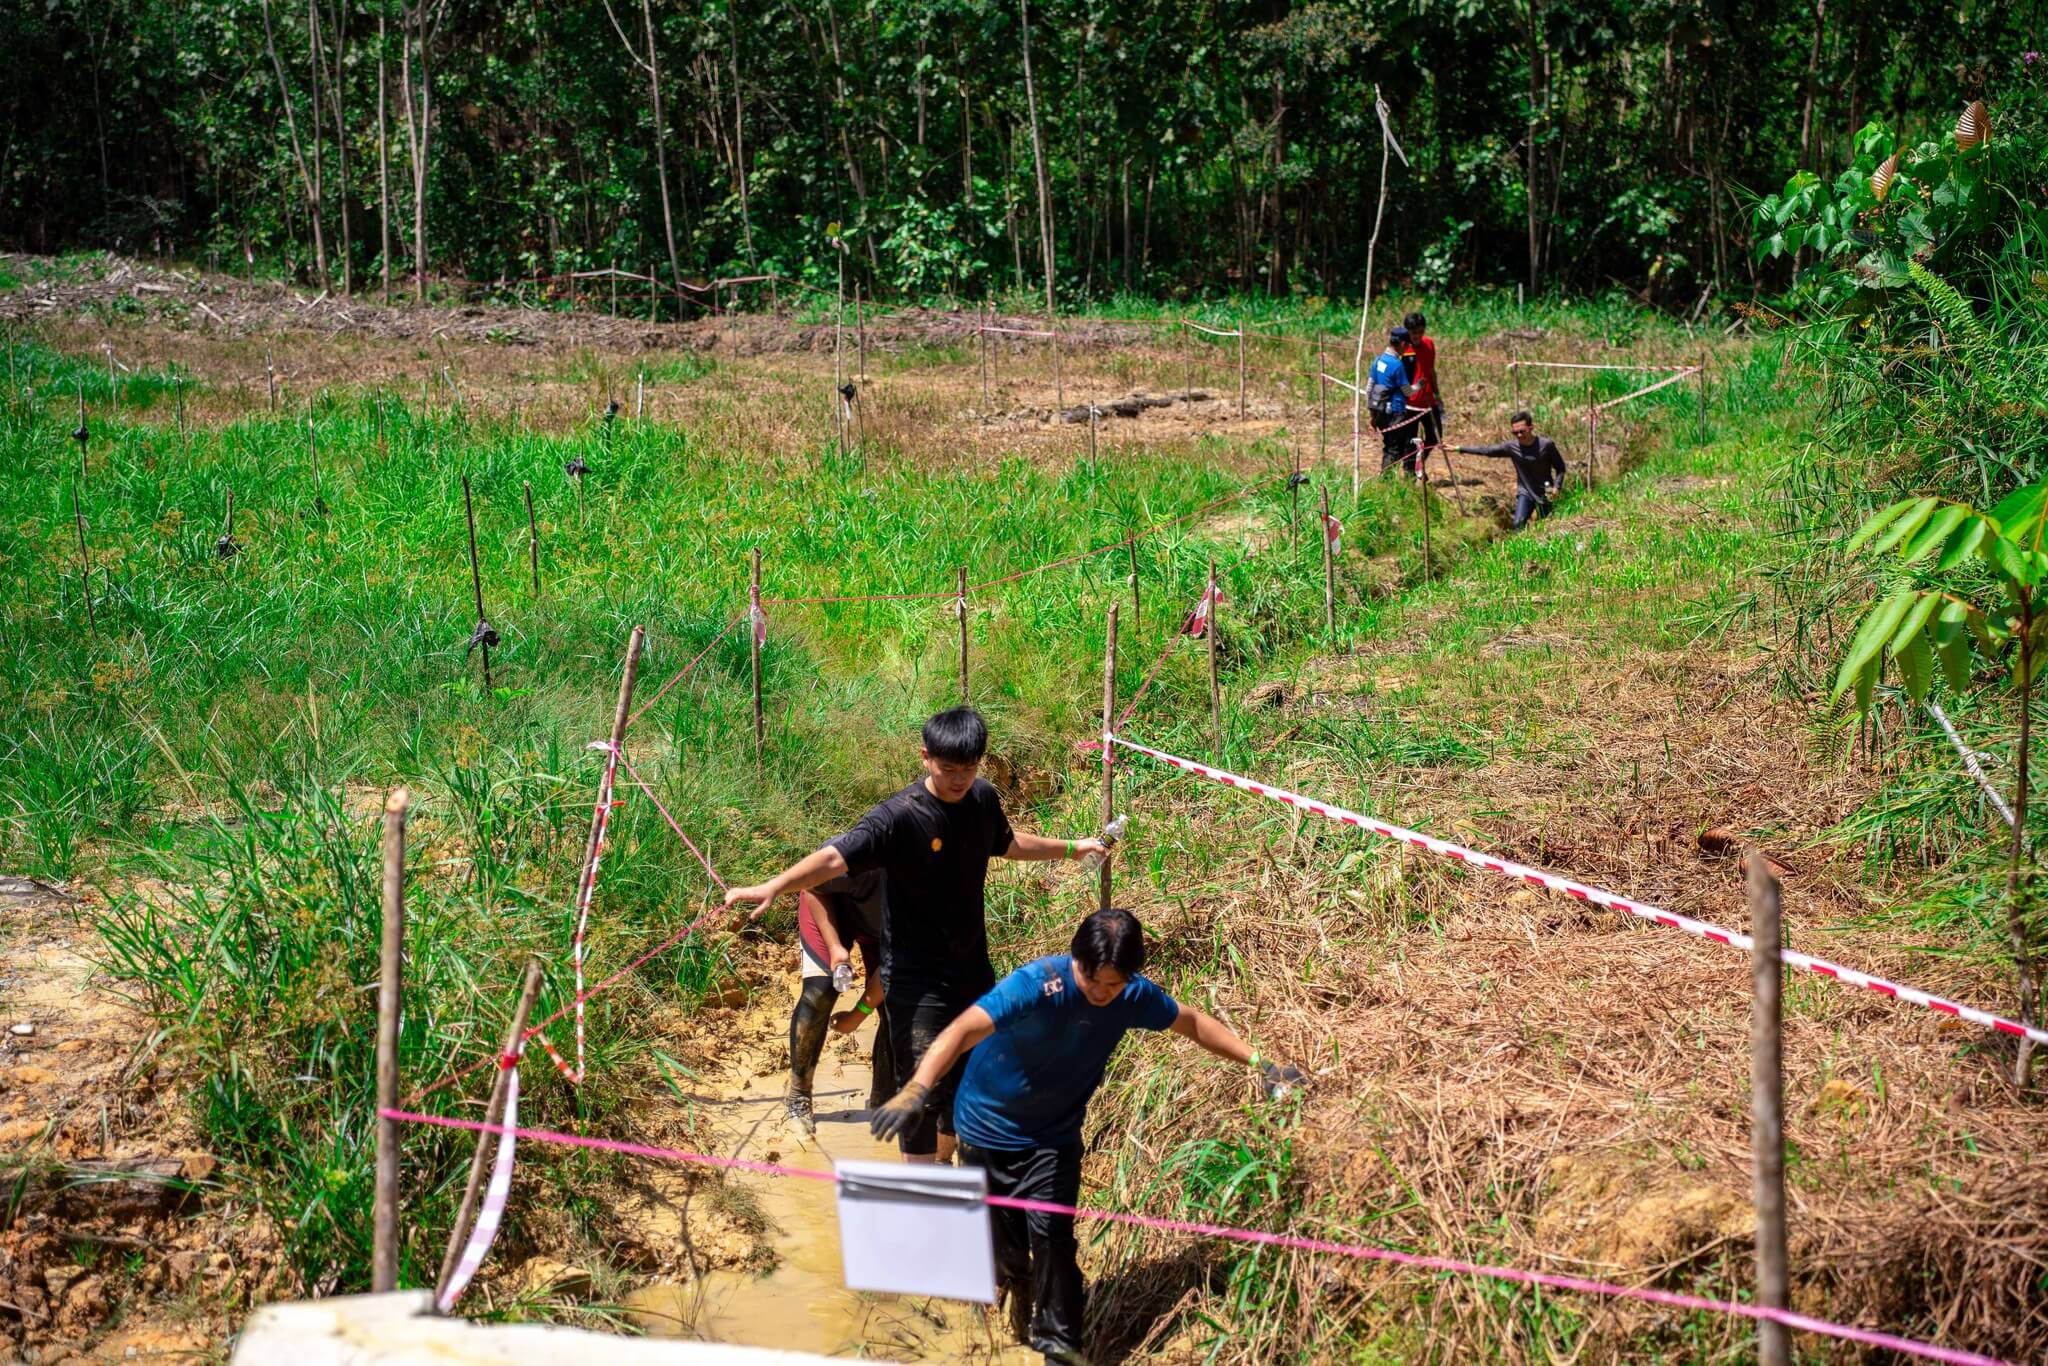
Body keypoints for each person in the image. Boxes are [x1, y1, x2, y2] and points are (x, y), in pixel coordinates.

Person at [870, 907, 1305, 1365]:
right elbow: (961, 1030)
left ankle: (1060, 1348)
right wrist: (918, 1089)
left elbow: (1192, 1022)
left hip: (1052, 1138)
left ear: (1129, 978)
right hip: (985, 1131)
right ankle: (1017, 1281)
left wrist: (1262, 1063)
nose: (1100, 992)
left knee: (1053, 1237)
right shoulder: (1036, 985)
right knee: (1004, 1251)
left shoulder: (1133, 996)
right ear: (1076, 960)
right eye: (1091, 979)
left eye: (1113, 985)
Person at [725, 707, 1108, 1164]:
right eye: (948, 769)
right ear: (925, 757)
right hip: (914, 978)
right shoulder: (897, 818)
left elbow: (1006, 843)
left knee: (967, 1088)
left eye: (969, 769)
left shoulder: (982, 798)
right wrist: (775, 886)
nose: (959, 780)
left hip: (971, 972)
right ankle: (824, 1110)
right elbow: (829, 860)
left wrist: (1072, 848)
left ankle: (943, 1169)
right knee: (917, 1091)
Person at [783, 869, 894, 1134]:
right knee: (819, 993)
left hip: (885, 931)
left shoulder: (929, 888)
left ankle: (884, 1098)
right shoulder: (857, 856)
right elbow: (812, 884)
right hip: (830, 909)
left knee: (896, 1006)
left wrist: (857, 1015)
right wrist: (834, 947)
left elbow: (893, 965)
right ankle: (798, 1095)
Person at [1454, 410, 1568, 529]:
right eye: (1515, 432)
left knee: (1545, 525)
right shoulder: (1512, 447)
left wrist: (1556, 487)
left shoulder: (1546, 445)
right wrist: (1459, 448)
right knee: (1518, 524)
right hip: (1525, 492)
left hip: (1546, 492)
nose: (1519, 435)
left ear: (1531, 428)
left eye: (1522, 431)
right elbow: (1486, 450)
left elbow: (1560, 468)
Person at [1367, 325, 1420, 475]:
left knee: (1389, 446)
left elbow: (1369, 389)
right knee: (1394, 449)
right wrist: (1419, 385)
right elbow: (1407, 391)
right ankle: (1386, 481)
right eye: (1407, 345)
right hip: (1395, 413)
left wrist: (1372, 415)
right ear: (1402, 344)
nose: (1408, 348)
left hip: (1380, 411)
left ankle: (1388, 479)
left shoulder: (1378, 361)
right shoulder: (1397, 365)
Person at [1402, 311, 1443, 456]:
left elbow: (1431, 371)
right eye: (1414, 332)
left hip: (1428, 401)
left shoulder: (1429, 344)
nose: (1418, 336)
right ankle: (1410, 468)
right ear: (1407, 331)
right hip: (1409, 403)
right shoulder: (1402, 349)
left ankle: (1419, 463)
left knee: (1435, 436)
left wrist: (1437, 395)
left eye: (1421, 331)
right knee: (1409, 443)